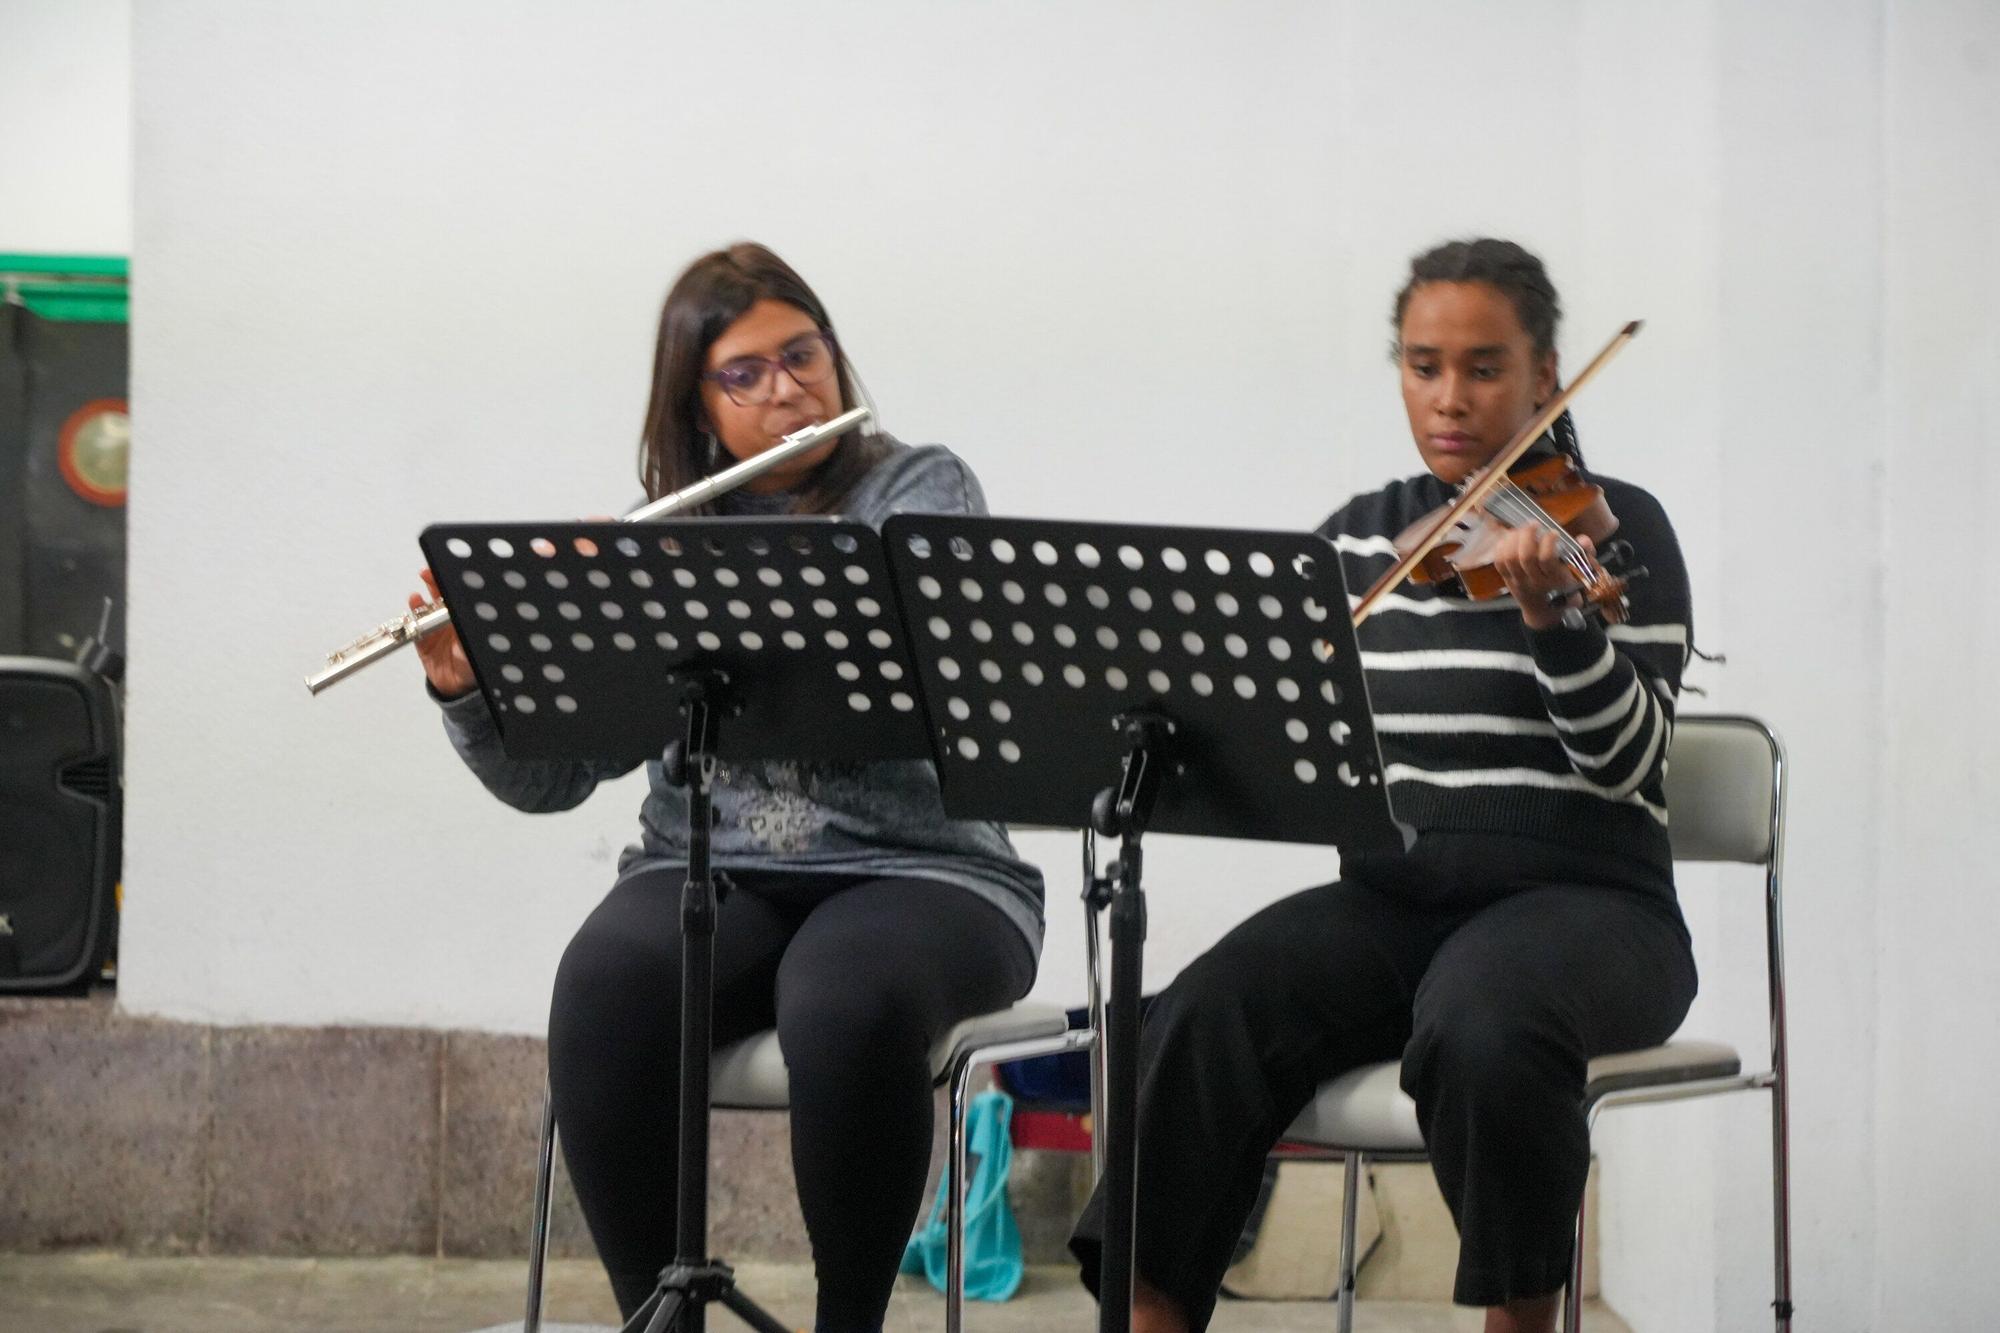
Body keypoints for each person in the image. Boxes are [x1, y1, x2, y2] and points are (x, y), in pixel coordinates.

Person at [1069, 237, 1698, 1333]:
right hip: (1393, 899)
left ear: (1546, 375)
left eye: (1484, 368)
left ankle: (1520, 1320)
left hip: (1592, 906)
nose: (1449, 398)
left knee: (1486, 1019)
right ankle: (1151, 1311)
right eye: (1423, 366)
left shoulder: (1612, 526)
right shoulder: (1359, 540)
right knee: (1202, 1013)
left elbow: (1628, 761)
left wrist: (1553, 619)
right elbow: (1287, 739)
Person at [414, 242, 1045, 1332]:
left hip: (922, 873)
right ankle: (661, 1322)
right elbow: (552, 777)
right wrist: (470, 686)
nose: (785, 388)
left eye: (802, 355)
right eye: (743, 374)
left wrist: (684, 594)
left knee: (841, 998)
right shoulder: (663, 529)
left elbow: (904, 671)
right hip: (708, 866)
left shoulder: (918, 485)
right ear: (697, 406)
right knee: (603, 989)